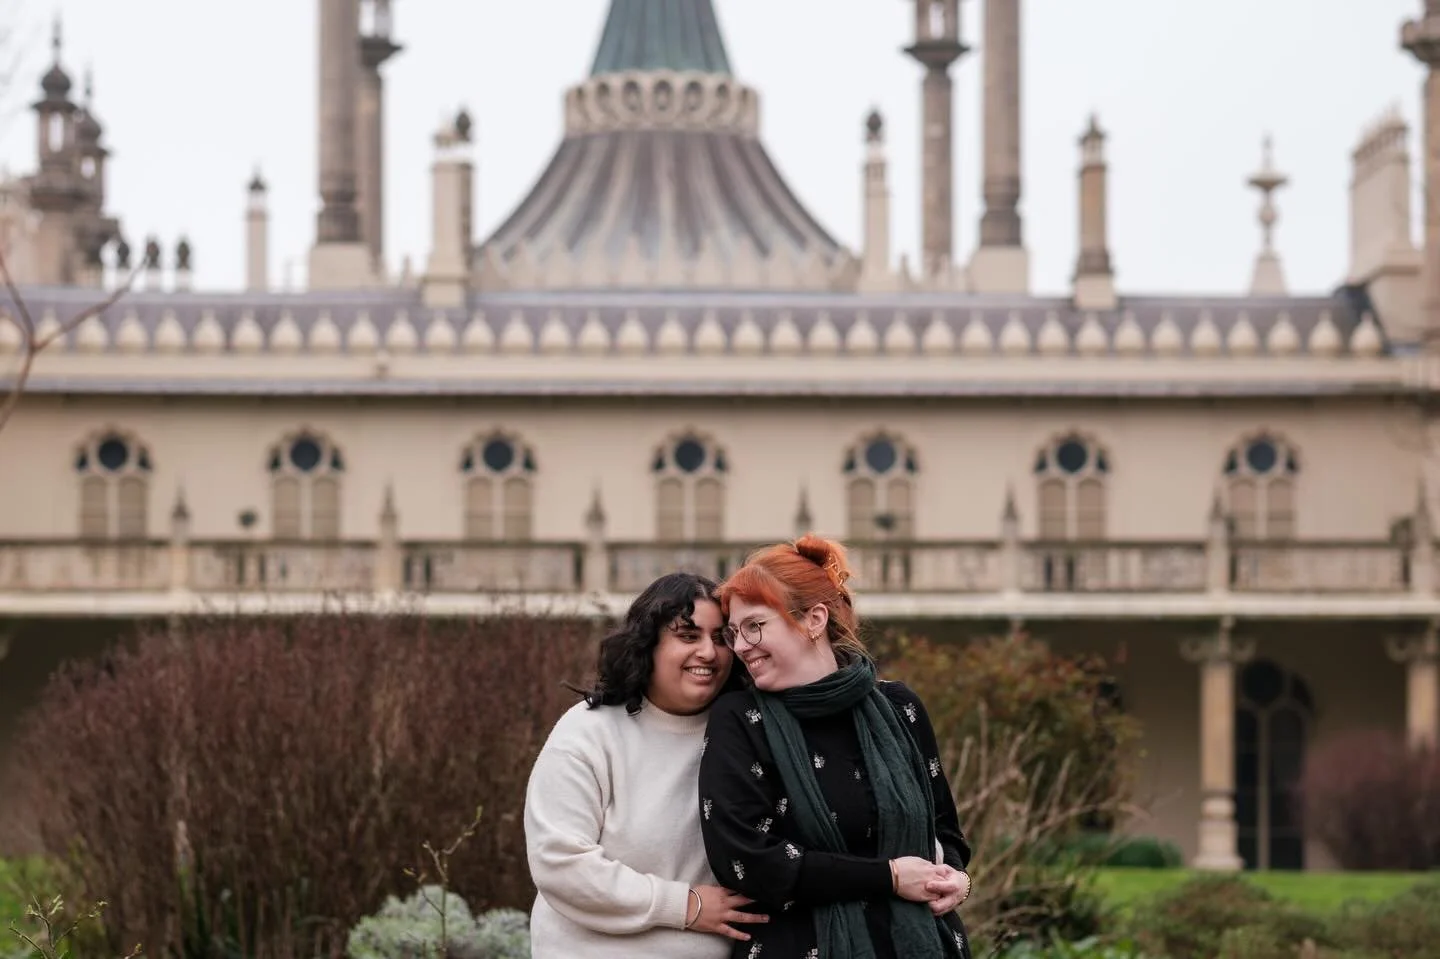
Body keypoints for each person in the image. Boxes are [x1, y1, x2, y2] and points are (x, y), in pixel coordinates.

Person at [698, 535, 974, 959]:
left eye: (755, 626)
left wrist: (956, 878)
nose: (739, 647)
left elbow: (944, 832)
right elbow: (747, 858)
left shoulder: (901, 709)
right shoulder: (740, 719)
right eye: (733, 632)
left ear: (814, 619)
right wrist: (890, 877)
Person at [524, 572, 770, 959]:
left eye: (721, 637)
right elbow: (561, 865)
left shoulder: (750, 735)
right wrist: (685, 905)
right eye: (688, 636)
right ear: (648, 644)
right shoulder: (589, 732)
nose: (708, 652)